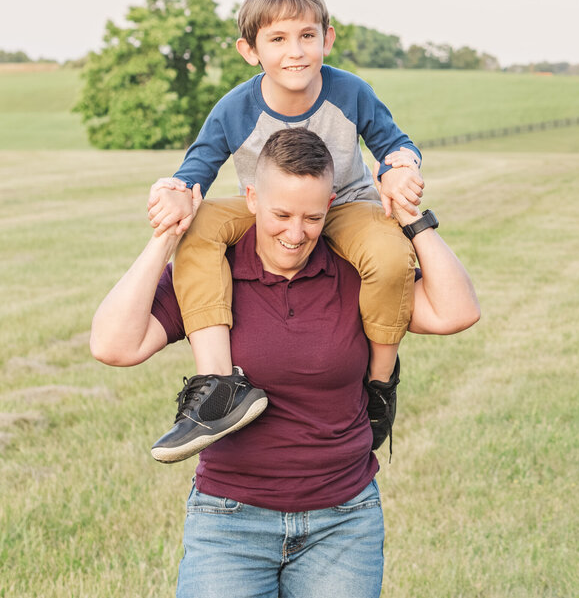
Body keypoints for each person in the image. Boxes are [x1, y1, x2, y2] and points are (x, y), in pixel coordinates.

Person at [91, 128, 479, 598]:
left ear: (331, 206)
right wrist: (167, 238)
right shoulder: (212, 271)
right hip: (228, 522)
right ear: (251, 198)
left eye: (312, 217)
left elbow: (457, 311)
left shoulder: (354, 272)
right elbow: (113, 345)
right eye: (281, 214)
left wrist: (413, 220)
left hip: (343, 523)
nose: (296, 234)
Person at [144, 0, 427, 462]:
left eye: (306, 36)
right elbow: (196, 169)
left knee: (389, 254)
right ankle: (218, 384)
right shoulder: (235, 108)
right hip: (264, 208)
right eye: (277, 39)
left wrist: (402, 168)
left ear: (327, 39)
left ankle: (379, 383)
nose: (295, 51)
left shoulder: (351, 91)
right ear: (250, 50)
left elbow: (395, 143)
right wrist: (173, 192)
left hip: (345, 205)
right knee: (199, 228)